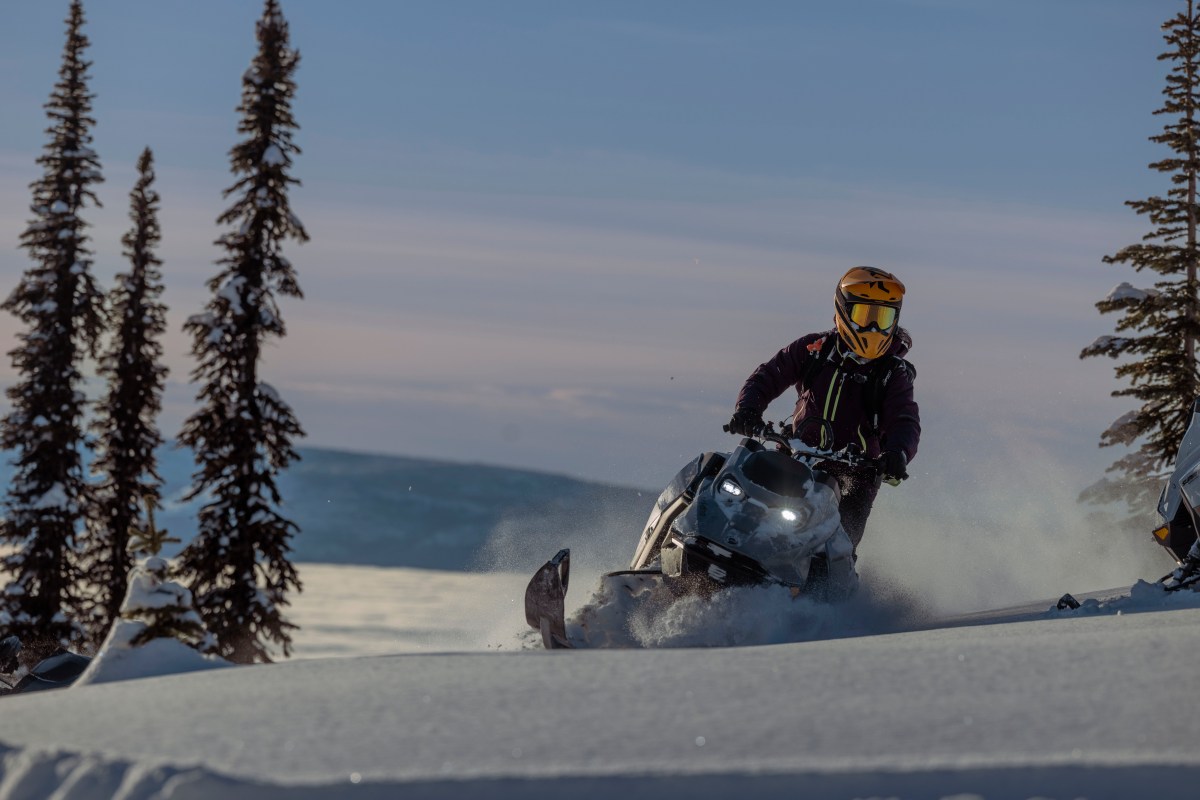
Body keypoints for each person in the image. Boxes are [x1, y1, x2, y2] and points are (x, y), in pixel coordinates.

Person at [725, 266, 921, 554]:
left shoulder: (893, 373)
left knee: (836, 550)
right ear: (843, 311)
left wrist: (897, 453)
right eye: (864, 317)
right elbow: (769, 375)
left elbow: (904, 417)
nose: (873, 329)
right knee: (731, 493)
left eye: (882, 319)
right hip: (794, 459)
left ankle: (826, 599)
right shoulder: (815, 349)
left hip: (854, 479)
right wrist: (748, 410)